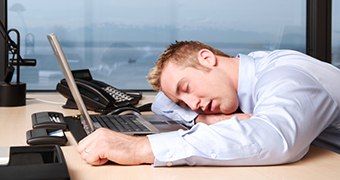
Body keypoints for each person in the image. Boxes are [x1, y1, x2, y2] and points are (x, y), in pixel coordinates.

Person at [77, 41, 340, 166]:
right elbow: (160, 103)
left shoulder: (286, 76)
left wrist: (142, 147)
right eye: (182, 100)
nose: (192, 105)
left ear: (206, 58)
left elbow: (275, 140)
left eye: (186, 88)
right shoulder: (242, 70)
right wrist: (206, 119)